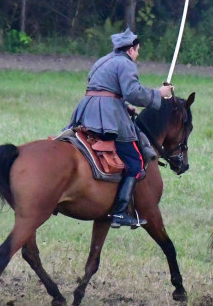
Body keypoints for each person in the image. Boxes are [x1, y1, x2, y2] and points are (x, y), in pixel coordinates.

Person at [68, 28, 174, 229]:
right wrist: (159, 93)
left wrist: (123, 106)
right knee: (136, 160)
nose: (138, 54)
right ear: (131, 49)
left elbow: (103, 89)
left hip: (87, 110)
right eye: (137, 50)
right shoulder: (126, 64)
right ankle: (119, 211)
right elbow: (133, 92)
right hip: (108, 116)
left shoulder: (103, 61)